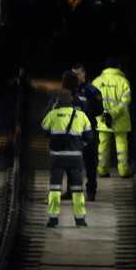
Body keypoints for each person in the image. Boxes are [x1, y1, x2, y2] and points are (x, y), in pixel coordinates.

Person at [41, 88, 93, 228]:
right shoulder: (81, 115)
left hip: (57, 157)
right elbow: (89, 136)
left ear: (58, 100)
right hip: (75, 158)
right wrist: (80, 146)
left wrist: (52, 110)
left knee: (55, 188)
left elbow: (44, 131)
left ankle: (53, 220)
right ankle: (80, 221)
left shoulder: (53, 114)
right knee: (77, 189)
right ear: (71, 99)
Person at [93, 56, 133, 178]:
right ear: (118, 67)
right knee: (121, 145)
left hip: (102, 119)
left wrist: (106, 114)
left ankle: (103, 170)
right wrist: (113, 113)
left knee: (103, 145)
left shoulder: (97, 81)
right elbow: (125, 103)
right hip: (120, 120)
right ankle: (123, 171)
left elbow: (94, 103)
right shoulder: (123, 82)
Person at [71, 63, 103, 201]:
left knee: (90, 162)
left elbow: (99, 109)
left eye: (78, 74)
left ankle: (91, 191)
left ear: (84, 74)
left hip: (87, 130)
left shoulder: (92, 90)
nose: (75, 77)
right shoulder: (69, 89)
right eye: (73, 74)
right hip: (72, 131)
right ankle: (71, 190)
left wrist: (85, 114)